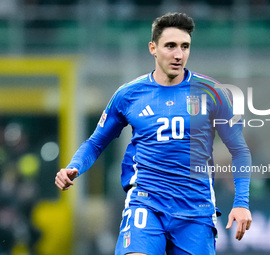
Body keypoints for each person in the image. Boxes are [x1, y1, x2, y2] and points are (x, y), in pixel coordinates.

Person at [55, 12, 252, 255]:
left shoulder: (213, 93)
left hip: (195, 209)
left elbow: (239, 150)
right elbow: (96, 142)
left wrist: (241, 203)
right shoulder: (129, 95)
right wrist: (74, 166)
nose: (178, 54)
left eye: (184, 46)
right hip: (146, 202)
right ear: (153, 48)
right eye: (170, 46)